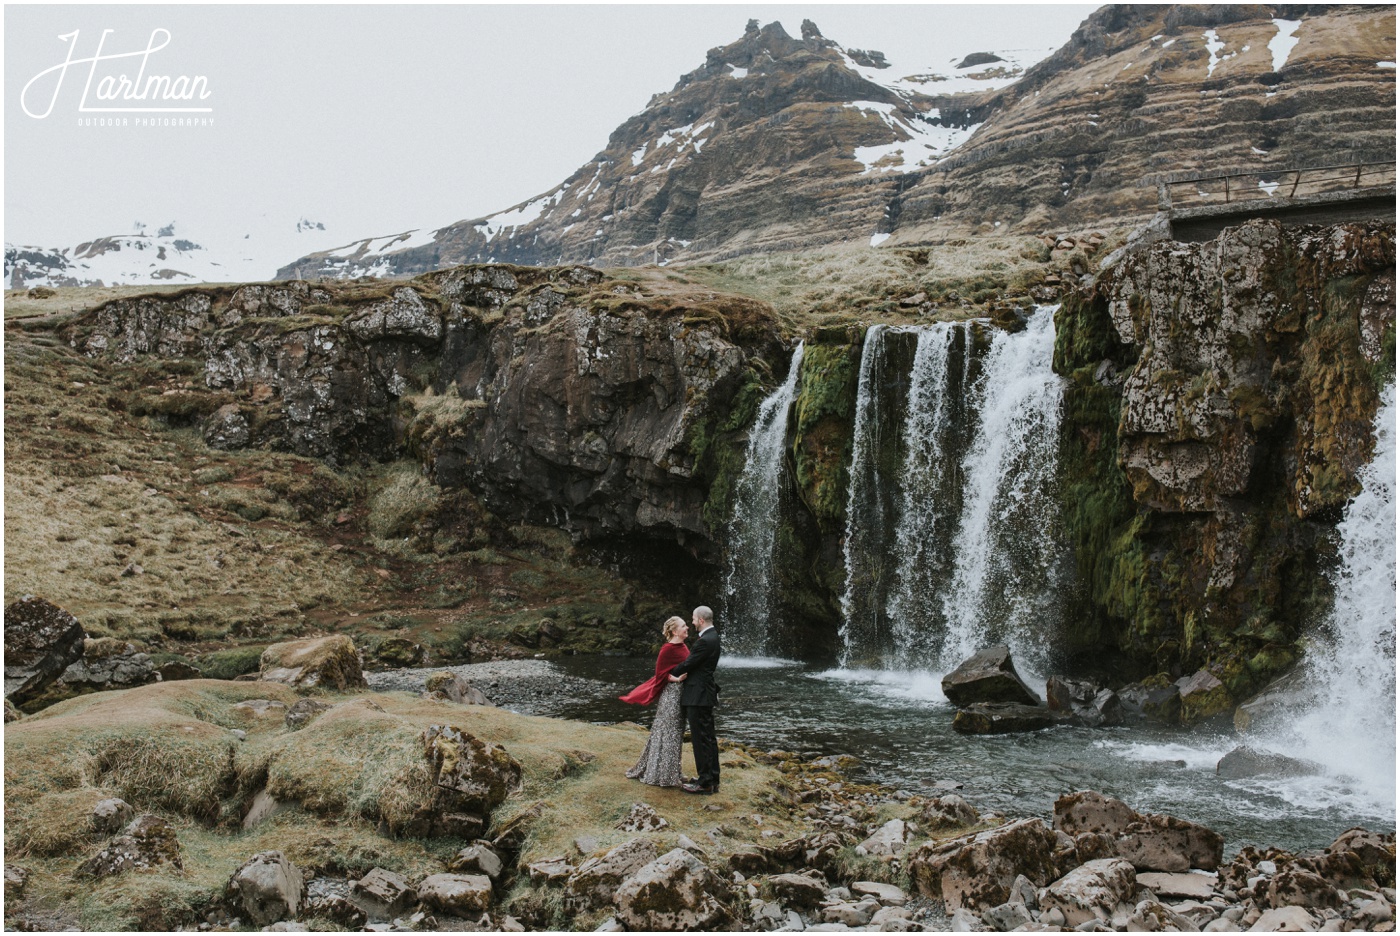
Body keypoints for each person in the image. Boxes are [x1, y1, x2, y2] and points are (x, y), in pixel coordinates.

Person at [620, 615, 690, 787]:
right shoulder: (667, 649)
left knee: (676, 733)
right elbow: (660, 674)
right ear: (675, 631)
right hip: (671, 696)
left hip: (681, 694)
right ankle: (663, 776)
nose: (687, 627)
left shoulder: (683, 646)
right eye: (683, 626)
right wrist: (675, 679)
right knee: (667, 733)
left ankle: (673, 772)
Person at [670, 605, 722, 794]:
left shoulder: (704, 641)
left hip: (698, 695)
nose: (691, 623)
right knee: (709, 738)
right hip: (704, 693)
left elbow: (689, 664)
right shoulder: (713, 637)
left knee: (701, 739)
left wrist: (669, 671)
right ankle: (712, 778)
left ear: (701, 620)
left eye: (693, 619)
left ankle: (705, 782)